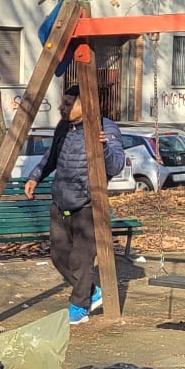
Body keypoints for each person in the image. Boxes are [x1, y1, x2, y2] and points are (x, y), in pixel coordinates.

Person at [23, 83, 126, 324]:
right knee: (59, 256)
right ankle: (91, 292)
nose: (62, 107)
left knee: (81, 259)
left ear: (85, 105)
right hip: (61, 199)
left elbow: (116, 165)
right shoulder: (64, 127)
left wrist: (103, 148)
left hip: (88, 203)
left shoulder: (104, 128)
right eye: (63, 102)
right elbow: (52, 157)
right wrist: (35, 176)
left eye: (68, 104)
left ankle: (79, 307)